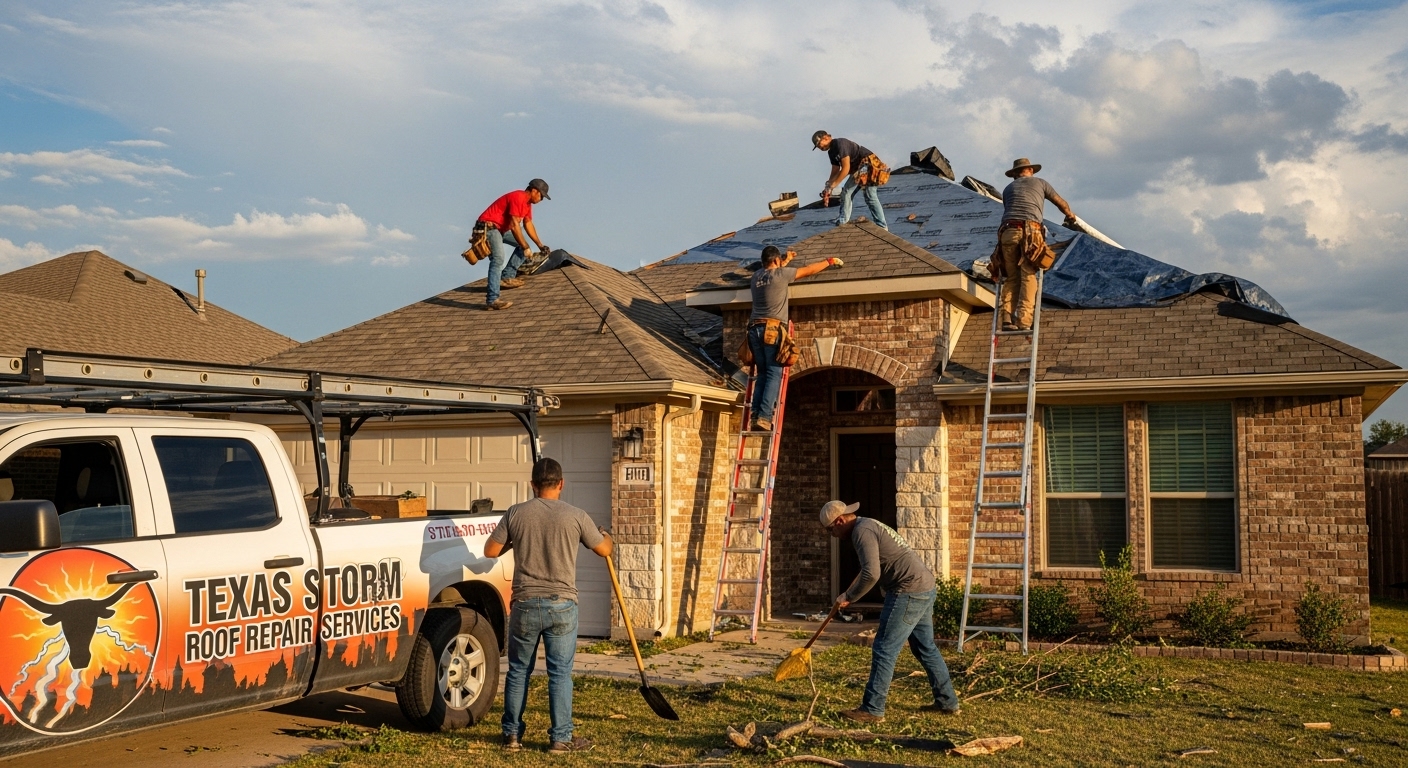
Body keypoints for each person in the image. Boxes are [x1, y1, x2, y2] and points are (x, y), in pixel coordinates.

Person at [484, 457, 613, 753]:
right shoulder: (576, 515)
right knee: (559, 674)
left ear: (532, 485)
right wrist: (605, 534)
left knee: (518, 671)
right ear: (561, 484)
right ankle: (560, 738)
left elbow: (490, 550)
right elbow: (604, 549)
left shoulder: (516, 513)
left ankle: (512, 737)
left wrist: (516, 540)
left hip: (525, 604)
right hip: (562, 606)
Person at [820, 500, 959, 723]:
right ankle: (948, 702)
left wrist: (849, 597)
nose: (832, 535)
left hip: (908, 591)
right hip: (924, 586)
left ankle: (872, 709)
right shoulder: (867, 525)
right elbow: (869, 568)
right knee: (925, 648)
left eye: (830, 530)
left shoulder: (861, 532)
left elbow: (871, 574)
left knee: (884, 647)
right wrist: (849, 592)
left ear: (839, 521)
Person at [747, 245, 842, 430]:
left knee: (763, 373)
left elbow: (776, 268)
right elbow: (808, 271)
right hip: (771, 330)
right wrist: (829, 261)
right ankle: (765, 417)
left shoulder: (756, 276)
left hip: (754, 331)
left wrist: (786, 260)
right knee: (774, 373)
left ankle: (755, 414)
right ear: (776, 261)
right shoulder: (781, 276)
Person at [996, 158, 1077, 331]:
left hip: (1007, 232)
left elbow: (1010, 210)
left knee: (1011, 278)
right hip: (1030, 232)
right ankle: (1024, 321)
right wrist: (1070, 215)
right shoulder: (1040, 183)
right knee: (1028, 274)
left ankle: (1007, 319)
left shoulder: (1008, 189)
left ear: (1014, 175)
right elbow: (1060, 202)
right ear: (1030, 171)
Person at [473, 178, 553, 310]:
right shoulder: (518, 197)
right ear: (534, 191)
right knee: (498, 259)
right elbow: (515, 225)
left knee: (523, 245)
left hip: (501, 229)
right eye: (541, 195)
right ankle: (492, 300)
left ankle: (507, 277)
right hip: (489, 227)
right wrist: (525, 246)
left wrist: (540, 245)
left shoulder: (527, 205)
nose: (541, 199)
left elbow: (528, 224)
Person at [812, 131, 889, 230]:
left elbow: (845, 168)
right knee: (851, 193)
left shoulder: (840, 144)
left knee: (866, 195)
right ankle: (845, 220)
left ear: (826, 138)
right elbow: (835, 170)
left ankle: (881, 226)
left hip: (867, 164)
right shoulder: (831, 152)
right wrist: (828, 186)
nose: (819, 148)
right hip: (859, 168)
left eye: (819, 144)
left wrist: (833, 185)